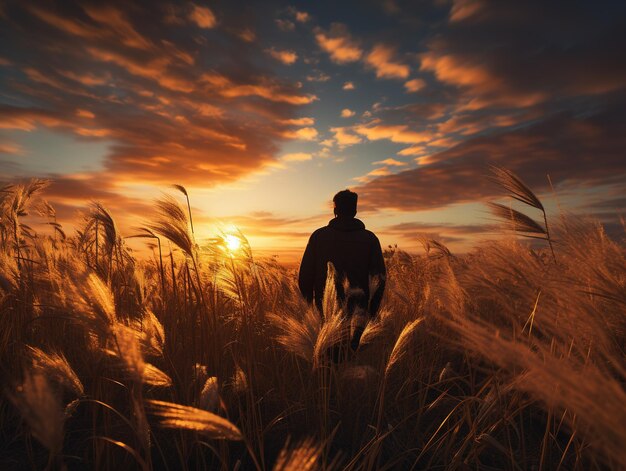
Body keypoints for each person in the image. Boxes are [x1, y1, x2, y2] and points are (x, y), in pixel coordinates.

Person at [298, 189, 386, 354]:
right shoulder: (370, 239)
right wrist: (371, 313)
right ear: (355, 210)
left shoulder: (318, 237)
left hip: (325, 316)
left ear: (335, 210)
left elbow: (305, 278)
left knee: (326, 365)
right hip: (359, 318)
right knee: (355, 363)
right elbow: (379, 280)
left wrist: (312, 310)